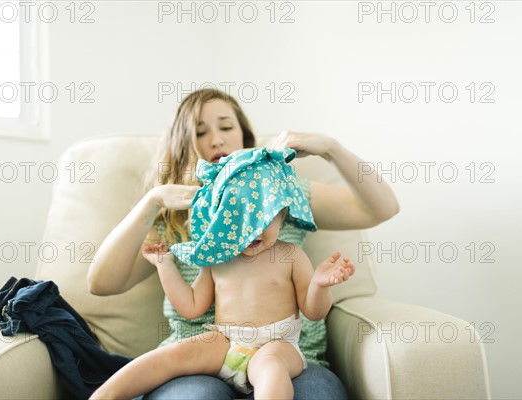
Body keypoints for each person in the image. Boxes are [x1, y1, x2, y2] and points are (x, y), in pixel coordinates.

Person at [87, 88, 400, 399]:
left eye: (226, 127)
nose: (217, 139)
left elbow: (383, 208)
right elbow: (102, 284)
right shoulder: (186, 227)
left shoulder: (279, 190)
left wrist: (331, 148)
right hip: (214, 349)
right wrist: (151, 203)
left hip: (282, 352)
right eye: (200, 131)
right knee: (188, 385)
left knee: (301, 387)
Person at [89, 147, 356, 399]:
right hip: (226, 342)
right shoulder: (219, 258)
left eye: (263, 219)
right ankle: (105, 394)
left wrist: (320, 286)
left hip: (277, 343)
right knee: (177, 354)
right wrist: (165, 266)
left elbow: (313, 311)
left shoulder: (290, 256)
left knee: (271, 367)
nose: (252, 230)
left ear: (283, 214)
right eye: (240, 219)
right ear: (221, 219)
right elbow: (191, 307)